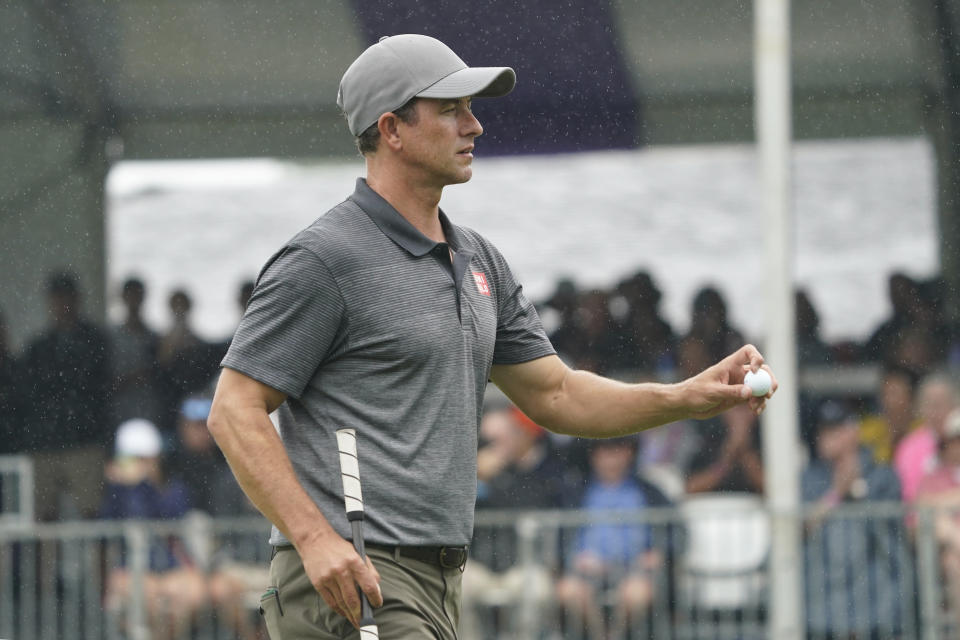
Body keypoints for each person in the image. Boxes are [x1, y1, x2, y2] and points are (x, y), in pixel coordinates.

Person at [207, 33, 776, 639]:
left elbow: (558, 395)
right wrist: (314, 538)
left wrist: (687, 395)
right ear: (392, 129)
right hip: (354, 580)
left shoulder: (479, 260)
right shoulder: (323, 260)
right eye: (452, 109)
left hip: (439, 581)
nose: (474, 126)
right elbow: (234, 410)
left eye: (471, 108)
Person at [461, 405, 571, 639]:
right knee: (455, 589)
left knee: (536, 591)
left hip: (520, 566)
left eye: (512, 434)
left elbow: (529, 502)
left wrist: (505, 467)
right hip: (480, 565)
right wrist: (476, 476)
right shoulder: (482, 468)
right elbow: (460, 502)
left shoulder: (539, 472)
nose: (501, 443)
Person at [802, 401, 906, 640]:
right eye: (823, 430)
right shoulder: (809, 478)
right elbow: (801, 527)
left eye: (835, 430)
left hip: (877, 602)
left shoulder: (883, 474)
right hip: (823, 605)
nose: (825, 437)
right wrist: (836, 494)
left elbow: (893, 534)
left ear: (854, 432)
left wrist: (859, 491)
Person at [554, 436, 673, 639]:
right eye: (604, 450)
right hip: (585, 571)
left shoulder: (650, 492)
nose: (611, 457)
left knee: (636, 594)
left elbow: (675, 530)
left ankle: (615, 636)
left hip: (635, 571)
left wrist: (660, 552)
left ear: (630, 453)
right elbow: (558, 535)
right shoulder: (574, 491)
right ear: (593, 454)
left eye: (618, 449)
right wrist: (572, 557)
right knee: (569, 591)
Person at [100, 418, 208, 640]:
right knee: (146, 597)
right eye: (132, 459)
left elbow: (171, 514)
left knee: (185, 598)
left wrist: (145, 484)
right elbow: (108, 521)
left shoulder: (174, 489)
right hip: (132, 569)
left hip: (170, 566)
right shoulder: (119, 492)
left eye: (144, 459)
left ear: (156, 458)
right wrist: (123, 486)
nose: (139, 465)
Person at [21, 270, 112, 520]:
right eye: (57, 298)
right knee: (43, 519)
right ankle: (46, 562)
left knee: (92, 515)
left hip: (86, 439)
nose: (62, 304)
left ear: (77, 299)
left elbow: (101, 389)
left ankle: (97, 562)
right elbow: (31, 394)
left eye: (66, 297)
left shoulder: (95, 341)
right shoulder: (38, 347)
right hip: (47, 441)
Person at [893, 372, 959, 503]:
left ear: (955, 405)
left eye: (941, 403)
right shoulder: (909, 447)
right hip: (925, 518)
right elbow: (910, 495)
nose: (935, 411)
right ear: (921, 408)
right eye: (929, 404)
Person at [109, 277, 161, 425]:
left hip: (148, 411)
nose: (134, 301)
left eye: (136, 295)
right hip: (119, 412)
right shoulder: (111, 337)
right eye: (130, 295)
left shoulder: (154, 338)